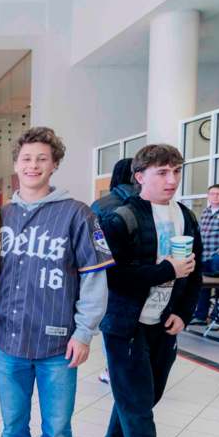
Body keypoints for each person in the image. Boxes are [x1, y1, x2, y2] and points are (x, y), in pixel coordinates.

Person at [0, 127, 113, 437]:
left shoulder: (78, 212)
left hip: (57, 344)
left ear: (55, 164)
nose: (33, 165)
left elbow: (95, 278)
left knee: (57, 429)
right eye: (26, 158)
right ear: (16, 164)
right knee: (13, 425)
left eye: (41, 159)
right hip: (9, 341)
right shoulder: (1, 215)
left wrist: (84, 332)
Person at [98, 144, 201, 437]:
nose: (171, 179)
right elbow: (109, 275)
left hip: (164, 323)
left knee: (146, 395)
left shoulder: (186, 217)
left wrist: (183, 313)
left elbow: (195, 269)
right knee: (138, 405)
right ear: (140, 176)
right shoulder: (119, 218)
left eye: (175, 171)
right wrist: (165, 271)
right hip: (124, 324)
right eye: (162, 172)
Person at [91, 157, 134, 384]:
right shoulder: (151, 202)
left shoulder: (101, 205)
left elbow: (92, 246)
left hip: (110, 278)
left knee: (114, 329)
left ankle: (113, 371)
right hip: (148, 276)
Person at [191, 183, 219, 324]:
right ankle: (201, 316)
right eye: (212, 194)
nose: (215, 196)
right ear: (208, 196)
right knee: (202, 286)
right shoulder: (206, 212)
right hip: (204, 256)